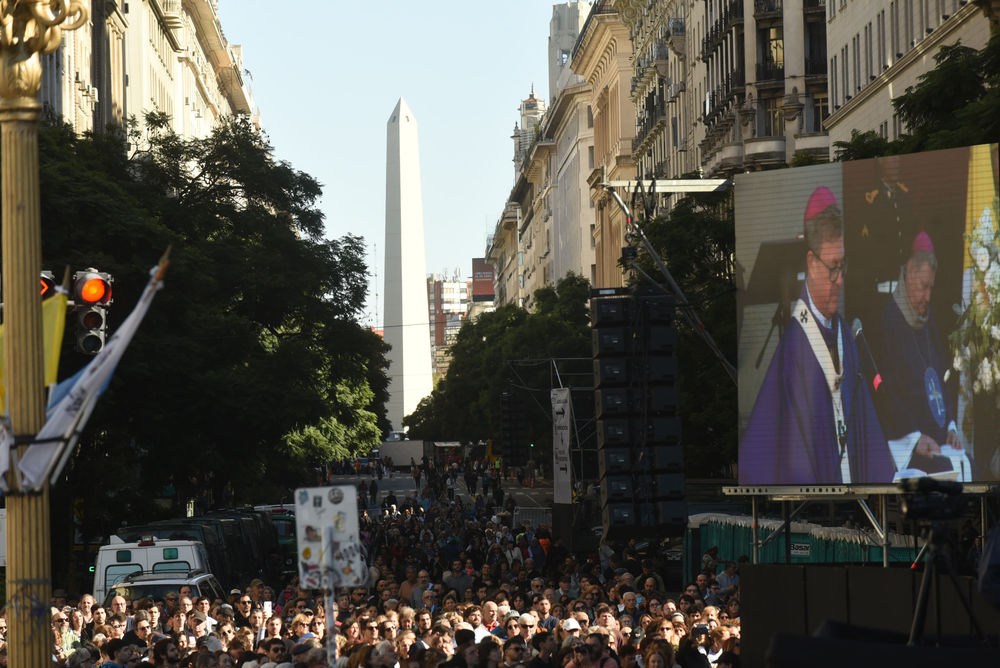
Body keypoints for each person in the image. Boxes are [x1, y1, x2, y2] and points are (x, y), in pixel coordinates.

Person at [741, 186, 895, 484]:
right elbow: (769, 454)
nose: (840, 279)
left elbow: (868, 438)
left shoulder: (848, 339)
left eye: (843, 265)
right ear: (811, 263)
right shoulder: (792, 349)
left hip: (855, 510)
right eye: (833, 268)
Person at [878, 232, 971, 479]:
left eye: (931, 287)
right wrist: (916, 438)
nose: (928, 296)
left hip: (938, 440)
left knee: (968, 462)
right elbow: (888, 393)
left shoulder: (925, 317)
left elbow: (943, 375)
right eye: (923, 287)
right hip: (909, 443)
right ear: (909, 272)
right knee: (944, 470)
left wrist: (950, 426)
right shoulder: (890, 322)